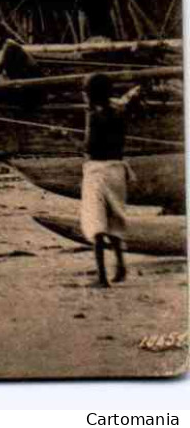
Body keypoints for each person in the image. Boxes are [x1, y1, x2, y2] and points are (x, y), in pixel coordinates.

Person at [82, 72, 145, 288]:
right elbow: (127, 104)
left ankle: (101, 277)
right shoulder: (119, 110)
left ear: (90, 95)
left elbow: (89, 146)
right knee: (115, 219)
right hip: (118, 169)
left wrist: (68, 138)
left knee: (96, 223)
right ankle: (120, 266)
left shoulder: (93, 114)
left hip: (97, 171)